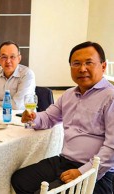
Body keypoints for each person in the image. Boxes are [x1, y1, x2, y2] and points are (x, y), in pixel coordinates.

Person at [11, 41, 114, 194]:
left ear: (103, 66)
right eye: (76, 63)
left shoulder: (110, 97)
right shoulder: (69, 95)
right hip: (65, 161)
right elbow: (48, 118)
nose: (82, 69)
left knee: (49, 192)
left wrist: (82, 172)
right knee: (20, 179)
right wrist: (33, 117)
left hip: (99, 172)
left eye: (89, 63)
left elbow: (112, 148)